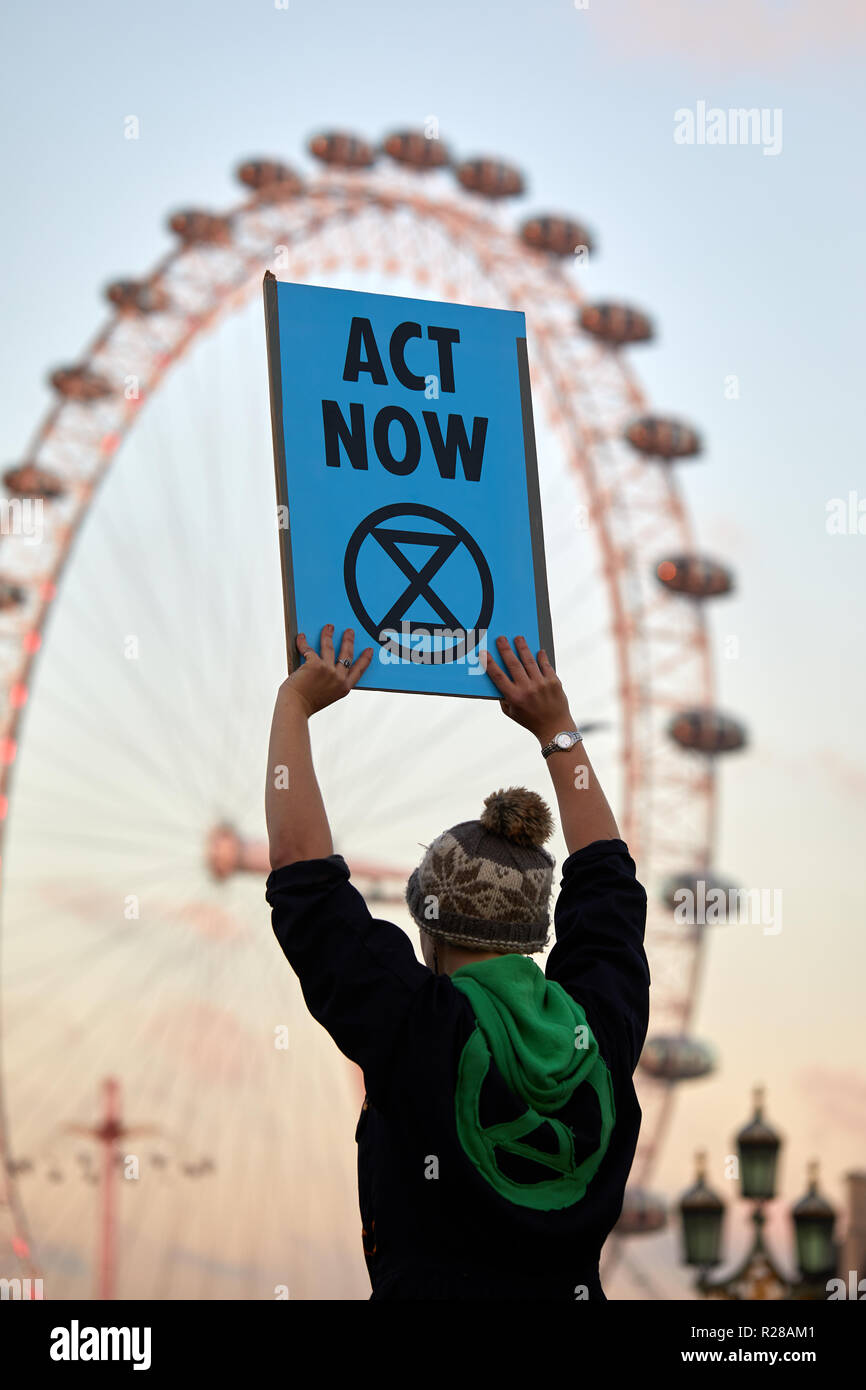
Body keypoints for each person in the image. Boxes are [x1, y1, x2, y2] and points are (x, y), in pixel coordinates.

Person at [264, 625, 650, 1300]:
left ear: (427, 927)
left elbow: (303, 876)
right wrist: (558, 728)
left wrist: (294, 704)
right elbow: (608, 886)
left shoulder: (417, 1028)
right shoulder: (600, 1030)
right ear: (535, 928)